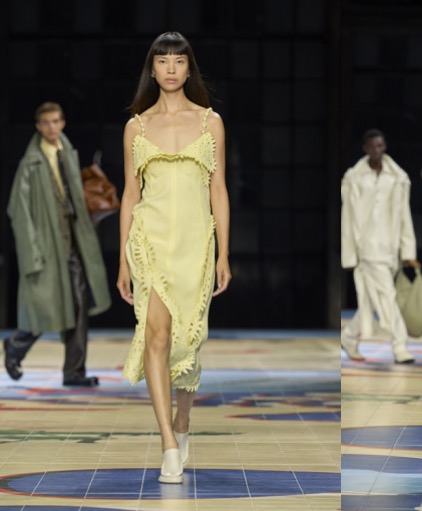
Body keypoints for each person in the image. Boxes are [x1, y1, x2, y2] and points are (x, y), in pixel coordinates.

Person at [117, 32, 231, 484]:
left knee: (188, 339)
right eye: (162, 61)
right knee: (157, 335)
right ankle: (168, 443)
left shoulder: (210, 122)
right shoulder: (137, 127)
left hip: (196, 243)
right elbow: (130, 194)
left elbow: (218, 189)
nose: (170, 68)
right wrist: (123, 259)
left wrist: (224, 252)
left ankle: (183, 419)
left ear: (188, 69)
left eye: (178, 61)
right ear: (152, 68)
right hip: (150, 240)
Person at [4, 102, 112, 386]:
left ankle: (74, 372)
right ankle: (16, 345)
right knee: (47, 307)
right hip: (46, 246)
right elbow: (18, 209)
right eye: (46, 122)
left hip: (72, 241)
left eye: (56, 121)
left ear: (62, 122)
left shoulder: (67, 152)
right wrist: (32, 252)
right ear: (38, 126)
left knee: (78, 306)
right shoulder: (31, 163)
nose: (51, 127)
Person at [339, 129, 419, 364]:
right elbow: (348, 218)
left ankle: (349, 337)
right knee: (387, 295)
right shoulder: (354, 178)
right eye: (372, 146)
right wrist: (349, 255)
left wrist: (408, 251)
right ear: (365, 148)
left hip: (389, 247)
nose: (377, 150)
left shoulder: (397, 177)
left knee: (370, 302)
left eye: (380, 146)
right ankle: (400, 346)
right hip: (366, 247)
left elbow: (404, 215)